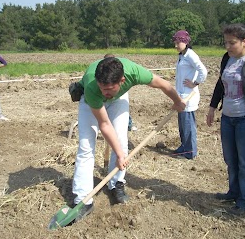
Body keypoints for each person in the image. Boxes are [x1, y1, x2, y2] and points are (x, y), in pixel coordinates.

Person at [72, 57, 186, 221]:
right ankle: (82, 199)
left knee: (121, 140)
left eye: (110, 88)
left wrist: (177, 101)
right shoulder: (93, 87)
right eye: (103, 88)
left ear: (122, 80)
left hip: (119, 99)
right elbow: (104, 124)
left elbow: (164, 85)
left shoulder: (134, 72)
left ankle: (116, 184)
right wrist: (118, 154)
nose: (106, 93)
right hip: (90, 100)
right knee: (86, 146)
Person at [206, 23, 245, 216]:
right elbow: (220, 83)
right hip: (228, 118)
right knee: (230, 159)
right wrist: (212, 107)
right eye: (225, 42)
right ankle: (233, 192)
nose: (227, 47)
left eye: (232, 43)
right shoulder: (227, 59)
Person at [172, 30, 207, 159]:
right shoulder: (182, 55)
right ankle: (184, 146)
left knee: (188, 125)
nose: (176, 45)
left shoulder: (191, 55)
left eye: (178, 42)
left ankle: (190, 152)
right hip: (181, 95)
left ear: (185, 42)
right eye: (175, 43)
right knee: (182, 124)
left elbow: (203, 70)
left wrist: (195, 83)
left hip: (188, 96)